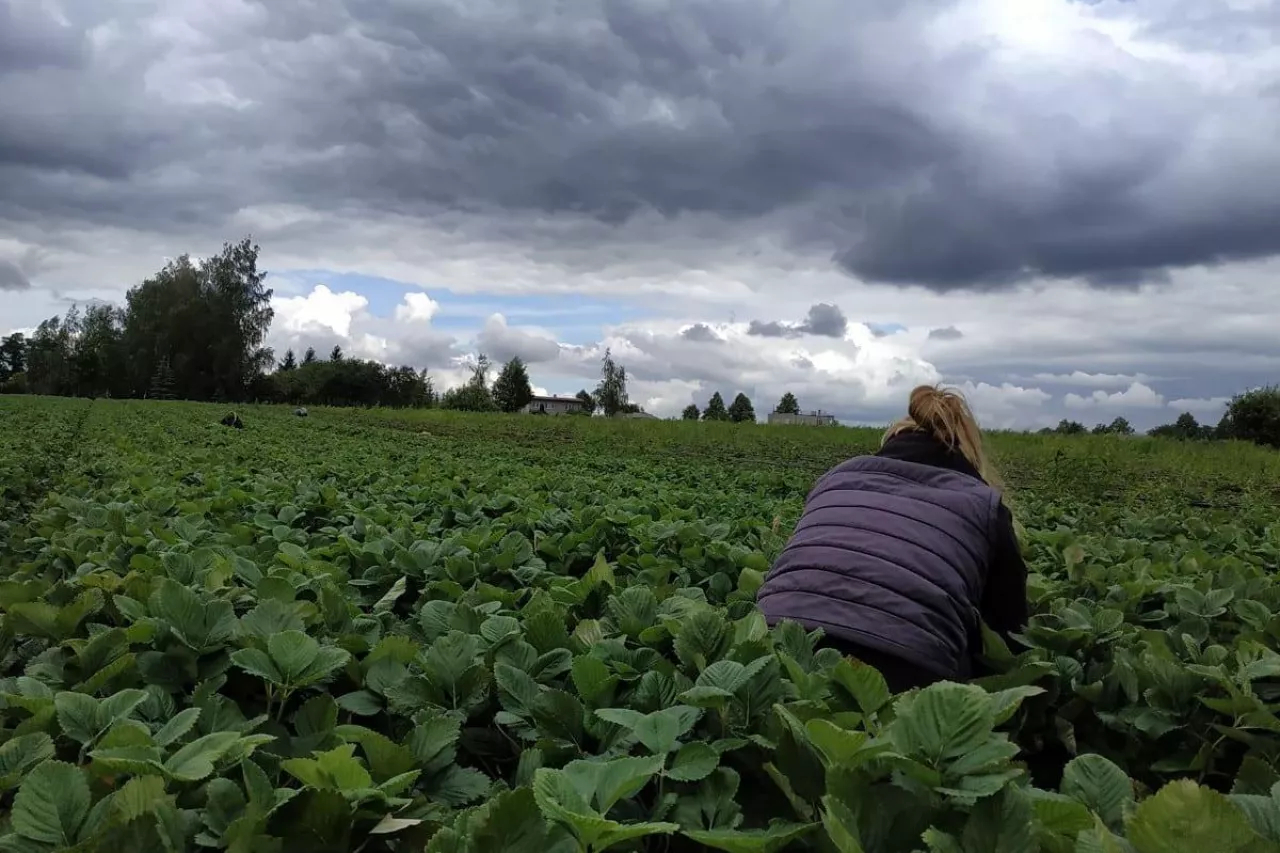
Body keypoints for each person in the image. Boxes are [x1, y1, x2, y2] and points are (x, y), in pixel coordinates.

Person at [757, 384, 1028, 692]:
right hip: (906, 667)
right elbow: (1009, 636)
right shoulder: (983, 503)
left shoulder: (836, 478)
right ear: (969, 454)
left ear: (892, 440)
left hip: (775, 640)